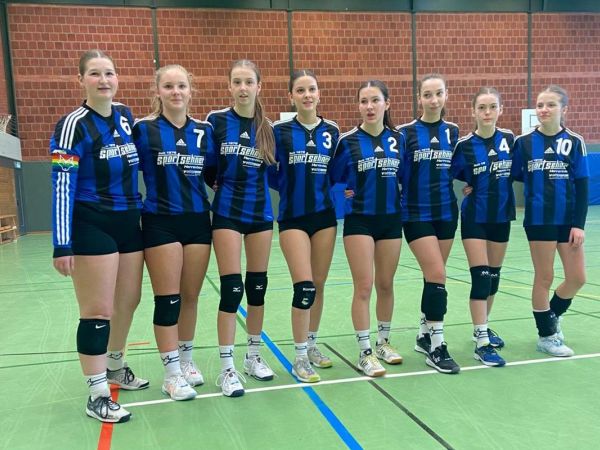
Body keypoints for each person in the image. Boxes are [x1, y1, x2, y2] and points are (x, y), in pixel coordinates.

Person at [51, 49, 148, 423]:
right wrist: (62, 243)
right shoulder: (72, 124)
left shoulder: (125, 116)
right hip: (92, 223)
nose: (103, 80)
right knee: (97, 311)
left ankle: (115, 366)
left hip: (129, 222)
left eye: (109, 73)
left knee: (129, 300)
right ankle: (97, 395)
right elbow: (62, 183)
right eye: (94, 73)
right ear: (81, 81)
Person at [134, 65, 216, 400]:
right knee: (168, 299)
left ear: (190, 90)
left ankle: (186, 360)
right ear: (158, 91)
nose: (176, 92)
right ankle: (171, 375)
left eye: (181, 85)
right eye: (168, 86)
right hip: (160, 221)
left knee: (191, 296)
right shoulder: (143, 129)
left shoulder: (205, 131)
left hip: (198, 221)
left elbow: (214, 173)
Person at [206, 59, 277, 397]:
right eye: (237, 82)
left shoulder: (269, 128)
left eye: (249, 81)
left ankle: (252, 356)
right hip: (228, 214)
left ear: (259, 86)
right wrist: (216, 182)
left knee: (258, 287)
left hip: (261, 214)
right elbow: (207, 165)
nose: (243, 87)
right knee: (232, 289)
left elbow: (277, 172)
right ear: (229, 87)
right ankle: (227, 367)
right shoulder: (216, 121)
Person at [330, 80, 404, 378]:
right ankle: (364, 352)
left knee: (386, 284)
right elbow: (332, 180)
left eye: (375, 100)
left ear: (387, 103)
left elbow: (406, 177)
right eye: (364, 101)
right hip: (359, 220)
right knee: (364, 286)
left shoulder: (398, 140)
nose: (370, 107)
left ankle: (383, 342)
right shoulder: (347, 141)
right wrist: (344, 198)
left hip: (390, 220)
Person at [273, 70, 339, 383]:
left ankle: (311, 344)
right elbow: (270, 171)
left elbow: (338, 171)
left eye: (311, 89)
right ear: (291, 96)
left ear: (319, 93)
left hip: (324, 216)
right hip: (293, 217)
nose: (307, 95)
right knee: (304, 285)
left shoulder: (332, 131)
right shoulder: (279, 131)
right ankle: (299, 356)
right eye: (300, 90)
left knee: (319, 284)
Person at [512, 85, 588, 357]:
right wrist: (473, 185)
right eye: (540, 105)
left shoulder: (575, 141)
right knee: (544, 276)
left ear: (564, 109)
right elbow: (510, 174)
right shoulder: (523, 143)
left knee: (577, 278)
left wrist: (578, 224)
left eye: (551, 105)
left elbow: (582, 186)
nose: (544, 109)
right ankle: (546, 336)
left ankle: (551, 317)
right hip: (539, 219)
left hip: (568, 220)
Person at [397, 73, 460, 374]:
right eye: (427, 94)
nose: (433, 100)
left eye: (438, 93)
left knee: (433, 277)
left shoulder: (453, 132)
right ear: (419, 98)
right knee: (437, 273)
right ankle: (437, 345)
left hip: (447, 212)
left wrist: (472, 184)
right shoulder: (405, 133)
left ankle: (423, 333)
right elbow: (392, 170)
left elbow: (463, 167)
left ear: (446, 95)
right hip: (415, 213)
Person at [451, 87, 515, 367]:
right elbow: (450, 173)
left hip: (502, 216)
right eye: (482, 108)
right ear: (473, 111)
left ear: (500, 110)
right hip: (475, 217)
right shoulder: (464, 145)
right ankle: (481, 342)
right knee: (481, 277)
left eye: (492, 107)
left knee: (494, 278)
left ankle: (483, 326)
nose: (487, 113)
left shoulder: (510, 140)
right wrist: (469, 185)